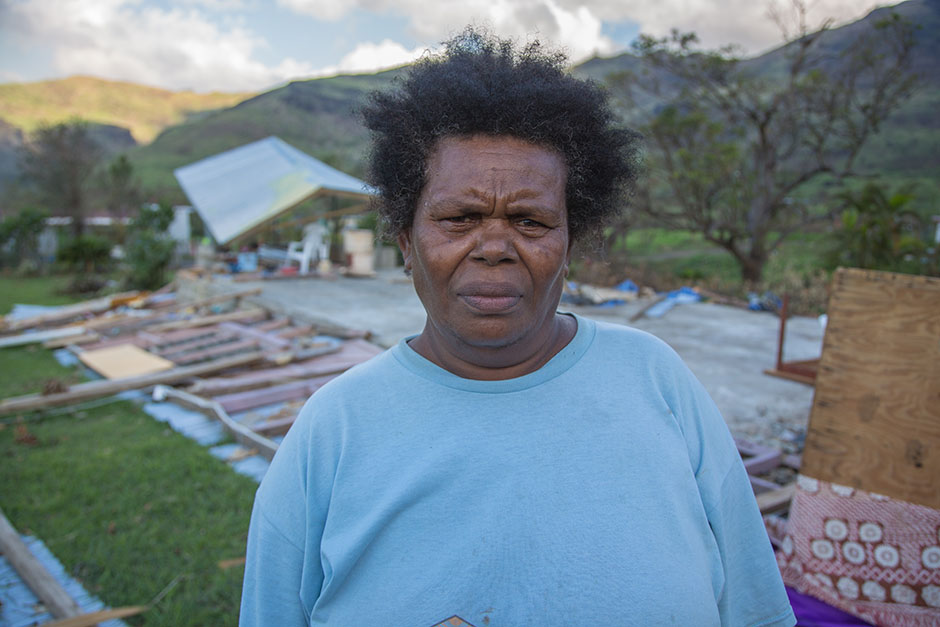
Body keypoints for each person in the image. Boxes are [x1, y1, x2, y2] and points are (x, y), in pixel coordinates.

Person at [240, 28, 796, 626]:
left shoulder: (655, 380)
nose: (495, 247)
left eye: (530, 221)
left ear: (569, 243)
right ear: (406, 242)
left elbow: (754, 609)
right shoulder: (335, 428)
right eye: (460, 218)